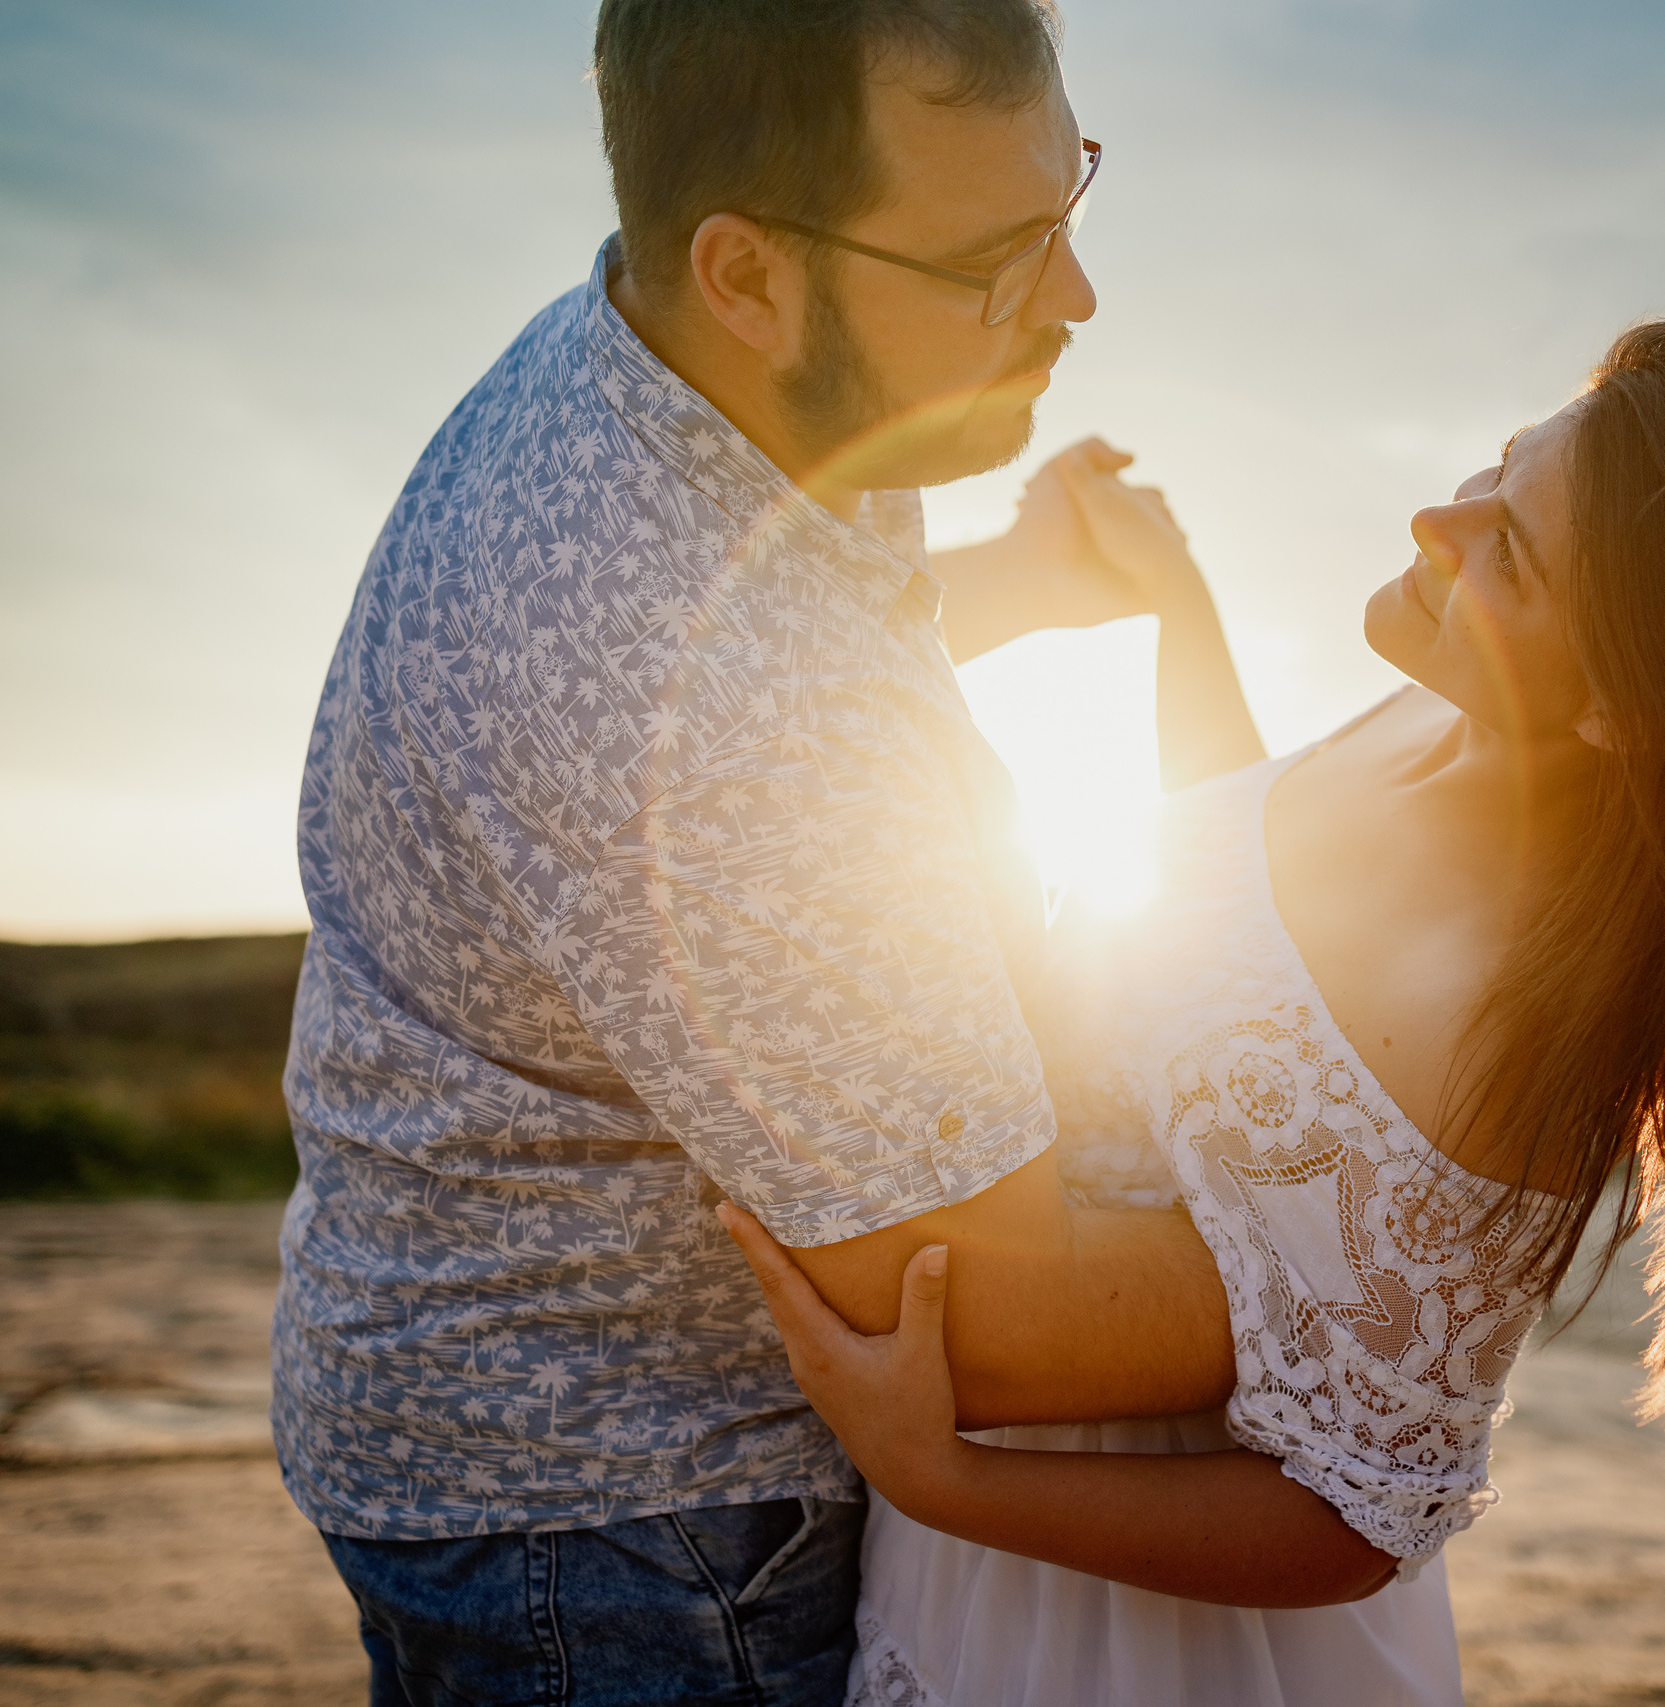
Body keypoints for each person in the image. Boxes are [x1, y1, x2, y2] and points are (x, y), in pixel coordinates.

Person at [723, 320, 1665, 1706]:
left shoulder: (1495, 1038)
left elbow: (1355, 1512)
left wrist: (942, 1476)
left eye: (1517, 553)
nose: (1441, 521)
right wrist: (1170, 600)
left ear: (1621, 705)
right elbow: (1251, 918)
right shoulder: (1454, 719)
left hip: (1133, 1650)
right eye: (1502, 468)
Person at [272, 3, 1244, 1702]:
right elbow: (984, 1317)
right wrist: (1408, 1245)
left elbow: (805, 648)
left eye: (1069, 200)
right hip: (633, 1538)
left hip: (467, 1414)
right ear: (749, 273)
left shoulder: (710, 369)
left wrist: (1009, 578)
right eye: (999, 258)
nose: (1076, 299)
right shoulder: (702, 683)